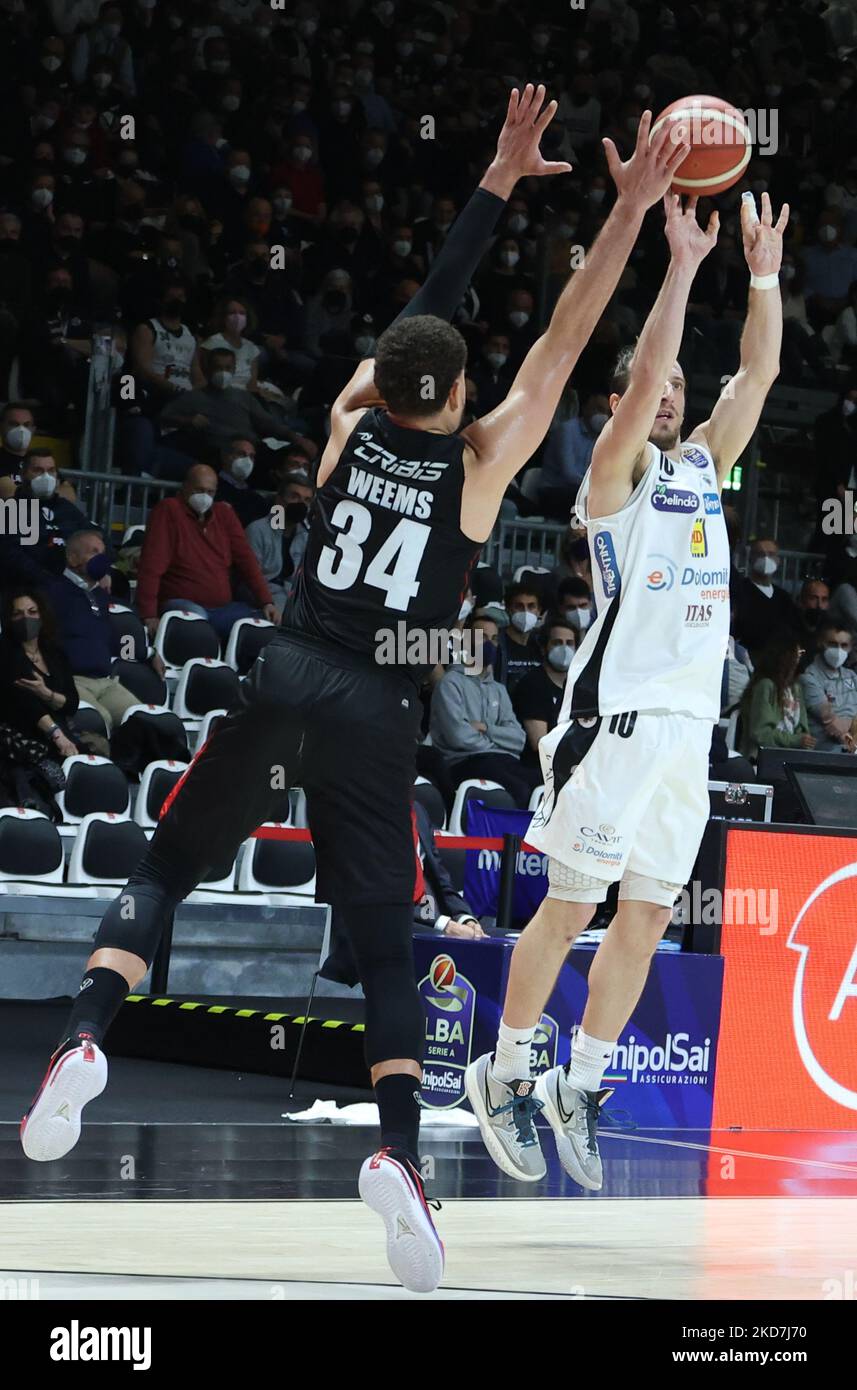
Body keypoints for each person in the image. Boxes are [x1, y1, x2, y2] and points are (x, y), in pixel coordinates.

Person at [21, 90, 686, 1292]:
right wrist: (629, 207)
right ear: (453, 396)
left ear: (385, 382)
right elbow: (564, 344)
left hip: (282, 671)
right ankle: (393, 1158)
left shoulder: (341, 428)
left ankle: (82, 1035)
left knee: (167, 867)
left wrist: (490, 182)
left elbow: (420, 318)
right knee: (385, 947)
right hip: (378, 710)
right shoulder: (478, 466)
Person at [465, 186, 789, 1193]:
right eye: (649, 386)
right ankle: (507, 1065)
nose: (666, 391)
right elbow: (650, 362)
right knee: (568, 904)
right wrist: (683, 264)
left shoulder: (702, 466)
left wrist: (765, 275)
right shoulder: (613, 478)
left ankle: (582, 1084)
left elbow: (758, 370)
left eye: (675, 388)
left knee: (645, 916)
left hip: (687, 737)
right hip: (612, 727)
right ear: (616, 406)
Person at [135, 464, 279, 641]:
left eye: (210, 492)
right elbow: (151, 566)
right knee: (196, 624)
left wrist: (267, 601)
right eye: (199, 490)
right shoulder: (168, 510)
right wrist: (148, 615)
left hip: (223, 610)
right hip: (183, 606)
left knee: (265, 625)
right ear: (185, 486)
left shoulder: (224, 514)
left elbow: (247, 561)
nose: (204, 496)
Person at [429, 614, 535, 807]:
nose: (489, 644)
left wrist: (486, 728)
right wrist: (499, 743)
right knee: (520, 790)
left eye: (494, 639)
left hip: (501, 760)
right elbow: (458, 737)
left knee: (543, 784)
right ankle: (512, 837)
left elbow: (519, 739)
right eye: (482, 637)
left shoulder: (498, 689)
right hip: (464, 762)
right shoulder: (450, 683)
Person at [512, 615, 575, 768]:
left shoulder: (578, 685)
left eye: (569, 643)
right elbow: (539, 742)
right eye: (557, 643)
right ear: (543, 648)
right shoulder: (532, 684)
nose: (564, 649)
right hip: (541, 768)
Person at [245, 472, 314, 610]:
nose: (301, 504)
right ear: (279, 500)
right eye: (295, 496)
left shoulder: (305, 537)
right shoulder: (257, 530)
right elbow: (249, 579)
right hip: (260, 596)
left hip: (291, 595)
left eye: (306, 500)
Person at [740, 635, 815, 761]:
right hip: (763, 758)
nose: (799, 658)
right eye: (797, 653)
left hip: (793, 758)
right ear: (784, 656)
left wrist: (806, 742)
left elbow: (803, 730)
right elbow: (760, 734)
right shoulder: (765, 686)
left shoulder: (795, 688)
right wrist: (796, 741)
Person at [731, 536, 802, 661]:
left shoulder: (784, 598)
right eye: (760, 554)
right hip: (747, 661)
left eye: (771, 554)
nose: (766, 558)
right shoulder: (739, 591)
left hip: (777, 664)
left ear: (778, 560)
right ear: (750, 558)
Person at [800, 623, 857, 751]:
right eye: (832, 644)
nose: (838, 650)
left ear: (850, 647)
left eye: (844, 646)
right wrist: (854, 723)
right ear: (821, 642)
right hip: (826, 752)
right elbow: (834, 726)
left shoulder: (852, 676)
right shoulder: (809, 678)